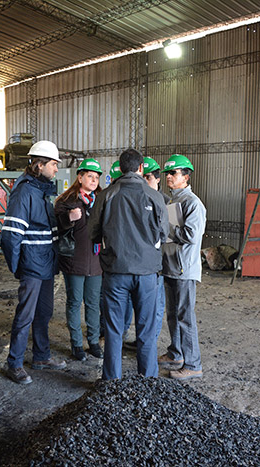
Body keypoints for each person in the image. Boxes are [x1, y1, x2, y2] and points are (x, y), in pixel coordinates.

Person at [88, 149, 168, 380]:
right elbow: (164, 233)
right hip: (147, 274)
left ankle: (111, 381)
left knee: (114, 330)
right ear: (141, 168)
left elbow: (93, 234)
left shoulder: (106, 195)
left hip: (116, 272)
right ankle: (148, 379)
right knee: (146, 329)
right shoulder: (154, 196)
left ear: (120, 168)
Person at [0, 140, 67, 385]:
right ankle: (15, 363)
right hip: (32, 264)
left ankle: (41, 356)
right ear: (39, 165)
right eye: (53, 164)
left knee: (44, 311)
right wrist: (17, 266)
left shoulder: (41, 190)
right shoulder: (24, 192)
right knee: (25, 314)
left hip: (45, 263)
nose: (56, 169)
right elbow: (10, 236)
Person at [158, 154, 207, 381]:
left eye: (173, 173)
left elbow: (190, 235)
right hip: (170, 266)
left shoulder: (192, 203)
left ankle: (193, 364)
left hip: (184, 270)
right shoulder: (171, 201)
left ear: (186, 177)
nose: (168, 176)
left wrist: (166, 228)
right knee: (172, 315)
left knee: (185, 317)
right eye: (167, 173)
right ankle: (176, 353)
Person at [54, 158, 104, 361]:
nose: (93, 180)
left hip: (96, 261)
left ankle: (93, 342)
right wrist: (68, 219)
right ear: (80, 177)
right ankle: (76, 344)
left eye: (96, 177)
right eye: (90, 176)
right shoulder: (66, 201)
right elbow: (56, 227)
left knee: (93, 303)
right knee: (74, 302)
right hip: (74, 262)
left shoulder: (101, 199)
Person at [142, 156, 170, 343]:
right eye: (142, 177)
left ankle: (149, 341)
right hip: (141, 262)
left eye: (149, 178)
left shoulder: (166, 202)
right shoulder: (136, 200)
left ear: (158, 179)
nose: (145, 182)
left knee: (157, 305)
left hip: (159, 263)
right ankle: (142, 339)